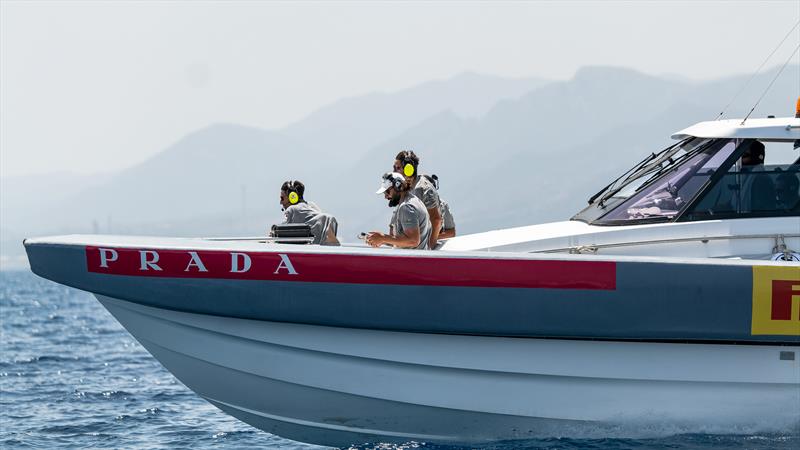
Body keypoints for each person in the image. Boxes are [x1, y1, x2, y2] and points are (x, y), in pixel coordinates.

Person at [365, 172, 431, 250]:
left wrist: (383, 238)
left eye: (387, 192)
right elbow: (404, 241)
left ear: (398, 186)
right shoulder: (414, 201)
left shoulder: (406, 207)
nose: (386, 196)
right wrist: (381, 239)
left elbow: (413, 241)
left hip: (410, 261)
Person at [393, 150, 442, 249]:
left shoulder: (424, 189)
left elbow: (436, 221)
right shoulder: (406, 188)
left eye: (397, 168)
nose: (394, 172)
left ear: (408, 170)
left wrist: (429, 250)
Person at [278, 180, 340, 245]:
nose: (280, 202)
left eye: (282, 198)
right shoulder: (312, 206)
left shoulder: (291, 209)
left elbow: (279, 233)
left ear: (292, 197)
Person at [736, 141, 775, 212]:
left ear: (754, 157)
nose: (741, 159)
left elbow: (761, 210)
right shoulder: (747, 177)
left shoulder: (762, 180)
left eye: (745, 155)